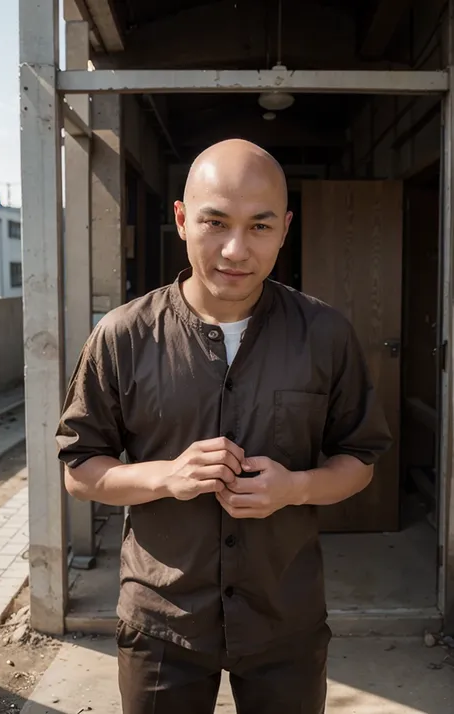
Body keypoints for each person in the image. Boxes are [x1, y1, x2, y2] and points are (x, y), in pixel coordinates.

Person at [56, 139, 392, 714]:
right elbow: (80, 472)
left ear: (285, 229)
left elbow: (359, 459)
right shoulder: (122, 336)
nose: (236, 249)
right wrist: (166, 476)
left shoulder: (326, 336)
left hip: (284, 618)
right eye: (215, 221)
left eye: (260, 226)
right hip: (163, 623)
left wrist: (296, 488)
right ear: (183, 220)